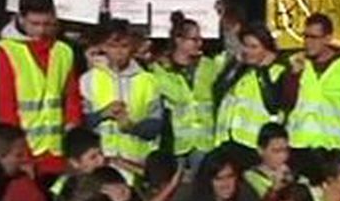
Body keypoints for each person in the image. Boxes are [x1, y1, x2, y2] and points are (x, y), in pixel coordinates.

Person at [0, 0, 83, 184]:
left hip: (59, 151)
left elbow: (72, 98)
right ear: (21, 19)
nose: (41, 31)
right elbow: (6, 110)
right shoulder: (5, 51)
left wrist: (72, 136)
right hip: (27, 154)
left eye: (47, 24)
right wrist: (21, 155)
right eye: (35, 24)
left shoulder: (64, 51)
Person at [80, 19, 163, 182]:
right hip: (101, 166)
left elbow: (156, 125)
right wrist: (102, 114)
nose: (119, 52)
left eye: (124, 46)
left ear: (132, 47)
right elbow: (82, 124)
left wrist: (132, 127)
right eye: (112, 46)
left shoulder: (148, 81)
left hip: (135, 166)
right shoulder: (89, 79)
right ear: (103, 47)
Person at [284, 13, 340, 178]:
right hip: (299, 147)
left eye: (314, 37)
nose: (308, 42)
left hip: (332, 148)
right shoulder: (298, 62)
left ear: (328, 38)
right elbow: (287, 101)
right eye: (305, 36)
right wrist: (294, 75)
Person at [152, 11, 220, 172]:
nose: (199, 44)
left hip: (204, 142)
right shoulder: (159, 69)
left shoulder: (210, 66)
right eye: (194, 40)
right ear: (179, 40)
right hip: (174, 143)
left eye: (200, 39)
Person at [214, 23, 285, 165]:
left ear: (267, 50)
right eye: (245, 46)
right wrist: (235, 64)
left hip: (254, 146)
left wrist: (263, 70)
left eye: (254, 47)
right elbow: (218, 90)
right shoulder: (241, 69)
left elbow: (272, 104)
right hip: (227, 141)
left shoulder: (278, 72)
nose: (247, 51)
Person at [244, 122, 297, 199]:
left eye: (286, 150)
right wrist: (275, 188)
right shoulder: (250, 179)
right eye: (276, 151)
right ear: (261, 150)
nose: (283, 156)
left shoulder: (293, 175)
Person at [50, 127, 107, 196]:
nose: (101, 160)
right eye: (93, 157)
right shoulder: (61, 189)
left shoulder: (106, 179)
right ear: (75, 162)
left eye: (101, 153)